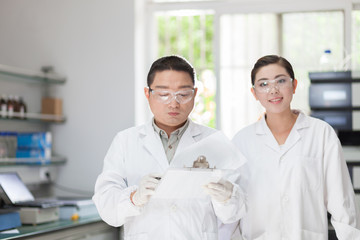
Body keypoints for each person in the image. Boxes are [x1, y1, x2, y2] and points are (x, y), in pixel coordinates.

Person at [92, 55, 246, 239]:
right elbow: (107, 209)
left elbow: (232, 215)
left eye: (183, 94)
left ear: (195, 94)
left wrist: (227, 196)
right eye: (164, 94)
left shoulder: (213, 141)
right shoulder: (126, 141)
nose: (174, 103)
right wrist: (135, 197)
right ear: (147, 94)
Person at [229, 55, 360, 239]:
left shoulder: (321, 133)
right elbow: (234, 210)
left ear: (294, 85)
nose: (273, 90)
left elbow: (342, 202)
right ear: (254, 93)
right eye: (263, 84)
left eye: (281, 81)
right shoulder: (242, 141)